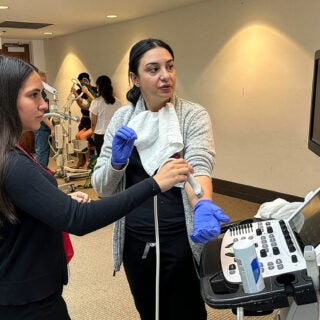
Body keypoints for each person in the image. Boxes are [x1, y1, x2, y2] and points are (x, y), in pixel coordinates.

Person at [0, 55, 193, 320]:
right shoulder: (11, 162)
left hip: (28, 289)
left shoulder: (12, 153)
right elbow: (79, 220)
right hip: (26, 301)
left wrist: (54, 199)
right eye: (34, 95)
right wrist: (155, 184)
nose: (43, 105)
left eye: (170, 66)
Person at [91, 38, 230, 320]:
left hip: (180, 238)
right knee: (149, 311)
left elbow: (200, 165)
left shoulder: (192, 116)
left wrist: (203, 203)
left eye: (169, 67)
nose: (165, 76)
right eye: (153, 69)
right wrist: (117, 163)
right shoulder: (122, 119)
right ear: (135, 78)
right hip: (135, 240)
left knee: (187, 311)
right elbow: (103, 189)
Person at [89, 75, 122, 157]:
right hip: (114, 134)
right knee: (112, 157)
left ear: (99, 87)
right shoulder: (118, 102)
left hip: (100, 134)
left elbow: (93, 122)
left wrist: (93, 133)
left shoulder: (96, 102)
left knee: (101, 158)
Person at [71, 72, 97, 168]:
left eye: (85, 81)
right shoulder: (79, 91)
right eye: (82, 83)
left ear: (89, 81)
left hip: (94, 120)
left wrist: (85, 93)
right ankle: (81, 159)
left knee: (82, 137)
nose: (84, 84)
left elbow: (89, 106)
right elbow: (81, 106)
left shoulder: (93, 91)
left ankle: (87, 161)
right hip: (85, 120)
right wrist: (76, 94)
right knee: (77, 136)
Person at [33, 70, 55, 167]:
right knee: (42, 151)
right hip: (41, 126)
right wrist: (52, 127)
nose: (45, 84)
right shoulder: (37, 94)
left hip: (44, 126)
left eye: (46, 81)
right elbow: (41, 114)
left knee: (45, 150)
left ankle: (44, 170)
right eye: (44, 81)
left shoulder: (43, 93)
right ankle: (41, 172)